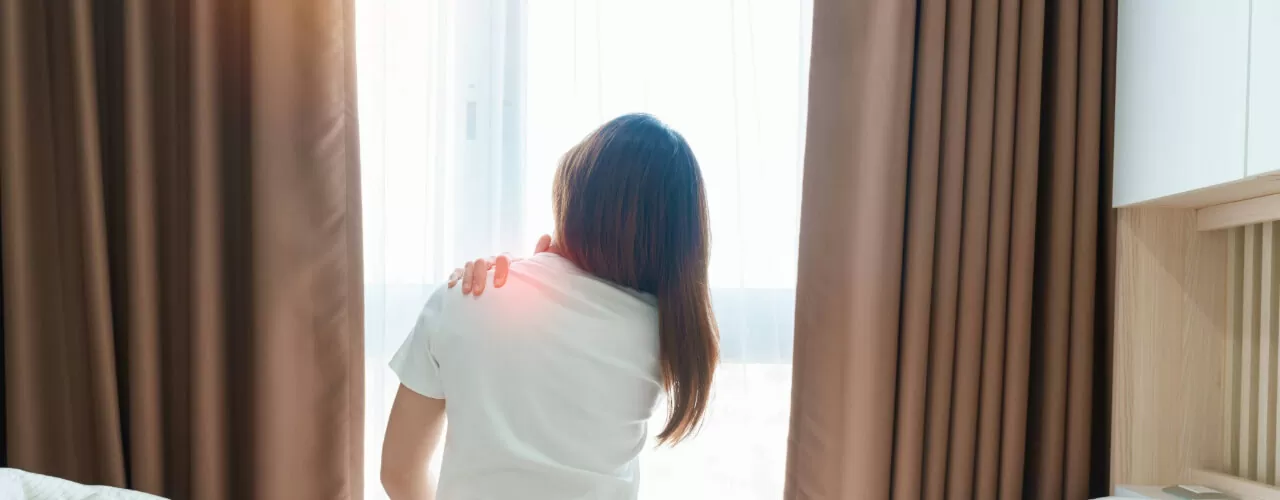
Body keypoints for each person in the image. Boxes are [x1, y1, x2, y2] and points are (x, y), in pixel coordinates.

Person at [380, 114, 720, 500]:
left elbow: (399, 473)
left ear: (574, 197)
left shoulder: (464, 297)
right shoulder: (665, 335)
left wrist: (531, 269)